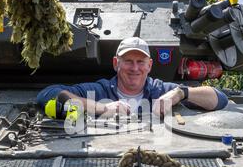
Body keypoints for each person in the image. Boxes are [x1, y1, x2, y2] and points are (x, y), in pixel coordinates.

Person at [37, 37, 228, 118]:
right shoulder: (100, 90)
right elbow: (48, 94)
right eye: (128, 61)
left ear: (149, 65)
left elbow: (219, 99)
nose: (134, 68)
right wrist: (101, 107)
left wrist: (180, 93)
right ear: (116, 63)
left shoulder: (160, 90)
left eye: (140, 61)